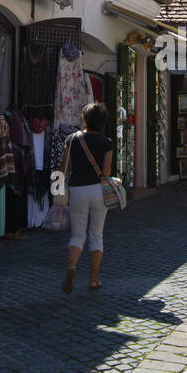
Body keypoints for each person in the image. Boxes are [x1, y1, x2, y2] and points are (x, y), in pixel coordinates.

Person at [60, 102, 113, 293]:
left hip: (77, 190)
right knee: (96, 234)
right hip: (99, 190)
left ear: (85, 119)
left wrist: (57, 193)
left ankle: (72, 266)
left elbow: (63, 168)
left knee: (77, 234)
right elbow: (106, 172)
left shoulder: (71, 139)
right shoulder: (107, 143)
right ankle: (93, 279)